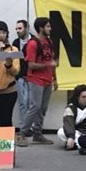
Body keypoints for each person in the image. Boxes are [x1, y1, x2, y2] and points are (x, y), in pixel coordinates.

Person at [18, 17, 57, 148]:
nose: (50, 28)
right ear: (41, 28)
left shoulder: (49, 41)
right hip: (36, 79)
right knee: (35, 106)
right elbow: (31, 64)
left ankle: (37, 133)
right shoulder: (33, 43)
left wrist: (54, 78)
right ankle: (22, 133)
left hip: (47, 79)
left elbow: (52, 61)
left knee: (43, 108)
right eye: (47, 26)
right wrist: (47, 65)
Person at [12, 19, 33, 132]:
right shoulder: (15, 42)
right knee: (22, 103)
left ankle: (32, 126)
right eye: (16, 29)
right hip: (20, 77)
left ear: (27, 28)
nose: (17, 31)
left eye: (20, 28)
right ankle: (23, 127)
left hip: (33, 77)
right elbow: (16, 59)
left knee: (33, 103)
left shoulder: (34, 41)